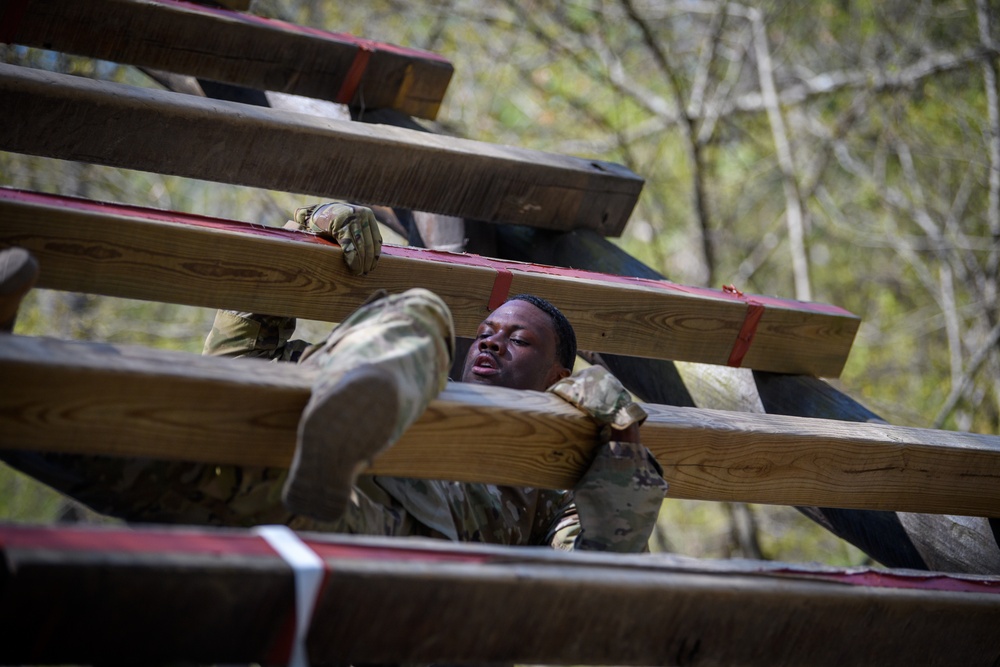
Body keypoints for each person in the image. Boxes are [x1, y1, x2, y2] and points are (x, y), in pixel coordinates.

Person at [0, 204, 667, 552]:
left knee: (424, 309)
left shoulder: (543, 474)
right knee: (118, 430)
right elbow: (233, 364)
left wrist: (621, 447)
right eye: (486, 333)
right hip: (258, 460)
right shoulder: (406, 367)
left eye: (518, 339)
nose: (490, 344)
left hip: (360, 533)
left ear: (560, 373)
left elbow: (598, 555)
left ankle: (333, 438)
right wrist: (303, 234)